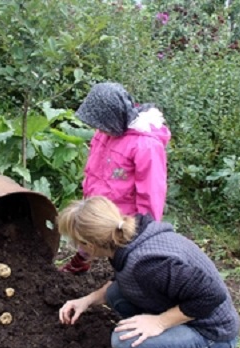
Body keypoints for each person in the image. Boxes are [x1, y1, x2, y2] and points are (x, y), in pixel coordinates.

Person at [57, 196, 240, 348]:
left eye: (77, 243)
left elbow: (212, 295)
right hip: (193, 314)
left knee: (123, 341)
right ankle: (168, 347)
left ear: (90, 244)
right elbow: (121, 279)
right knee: (115, 293)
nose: (76, 248)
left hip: (213, 337)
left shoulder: (149, 265)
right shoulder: (130, 235)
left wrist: (159, 322)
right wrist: (87, 300)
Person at [61, 82, 171, 274]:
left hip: (122, 216)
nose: (99, 129)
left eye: (101, 125)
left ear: (113, 117)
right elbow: (95, 168)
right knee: (86, 234)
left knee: (124, 256)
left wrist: (148, 229)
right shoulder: (106, 132)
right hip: (99, 204)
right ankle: (80, 262)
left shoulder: (145, 146)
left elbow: (152, 191)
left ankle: (125, 281)